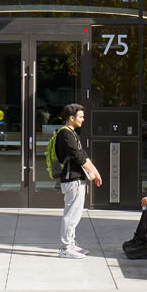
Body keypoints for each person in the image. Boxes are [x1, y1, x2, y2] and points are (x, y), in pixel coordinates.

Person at [54, 103, 101, 259]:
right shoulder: (65, 134)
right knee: (71, 214)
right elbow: (78, 157)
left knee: (75, 214)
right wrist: (91, 171)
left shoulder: (71, 133)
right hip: (71, 179)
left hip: (75, 178)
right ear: (71, 118)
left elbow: (83, 154)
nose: (83, 120)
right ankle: (66, 247)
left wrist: (95, 171)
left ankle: (71, 244)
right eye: (80, 117)